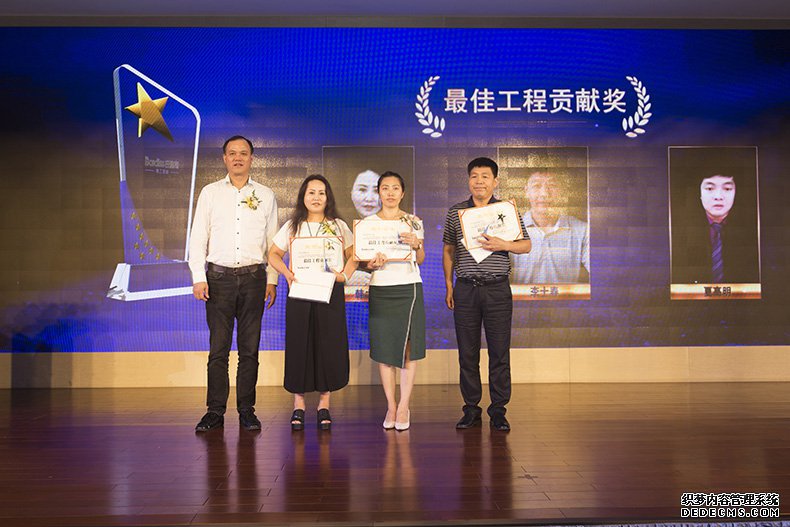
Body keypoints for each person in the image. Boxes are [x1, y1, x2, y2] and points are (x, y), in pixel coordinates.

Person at [188, 135, 279, 432]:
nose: (238, 158)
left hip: (254, 279)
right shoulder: (210, 193)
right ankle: (214, 411)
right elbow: (198, 238)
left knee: (249, 350)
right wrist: (198, 277)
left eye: (243, 153)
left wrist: (272, 279)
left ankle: (246, 410)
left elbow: (273, 244)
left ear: (252, 158)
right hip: (218, 280)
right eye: (232, 153)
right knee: (218, 350)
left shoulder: (266, 195)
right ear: (224, 158)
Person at [443, 157, 531, 432]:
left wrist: (505, 244)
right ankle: (471, 408)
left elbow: (526, 245)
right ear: (468, 180)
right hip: (465, 289)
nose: (479, 181)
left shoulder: (506, 210)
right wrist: (449, 285)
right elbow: (448, 250)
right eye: (474, 176)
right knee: (467, 353)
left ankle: (498, 410)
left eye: (485, 176)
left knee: (499, 352)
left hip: (497, 289)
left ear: (495, 181)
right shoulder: (456, 212)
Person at [268, 175, 358, 431]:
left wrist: (344, 276)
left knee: (328, 345)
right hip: (300, 292)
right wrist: (287, 274)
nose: (316, 197)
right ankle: (298, 405)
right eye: (311, 192)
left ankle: (323, 404)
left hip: (330, 293)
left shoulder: (338, 226)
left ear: (328, 198)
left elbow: (354, 255)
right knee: (300, 345)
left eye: (321, 193)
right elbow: (273, 254)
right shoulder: (292, 226)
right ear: (303, 197)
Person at [361, 172, 426, 431]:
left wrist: (416, 244)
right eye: (385, 188)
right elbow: (363, 262)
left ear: (402, 192)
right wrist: (370, 264)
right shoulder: (367, 224)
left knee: (409, 350)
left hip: (409, 287)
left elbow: (421, 259)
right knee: (385, 350)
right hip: (381, 288)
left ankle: (404, 406)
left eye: (395, 188)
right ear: (378, 192)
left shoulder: (413, 221)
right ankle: (390, 405)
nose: (390, 193)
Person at [672, 173, 760, 284]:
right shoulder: (678, 230)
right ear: (699, 192)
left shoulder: (753, 230)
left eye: (727, 189)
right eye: (709, 188)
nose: (718, 197)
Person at [511, 171, 589, 284]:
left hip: (567, 296)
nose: (544, 194)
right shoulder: (509, 230)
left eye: (552, 186)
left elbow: (600, 273)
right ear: (526, 191)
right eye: (537, 186)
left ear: (561, 192)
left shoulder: (582, 231)